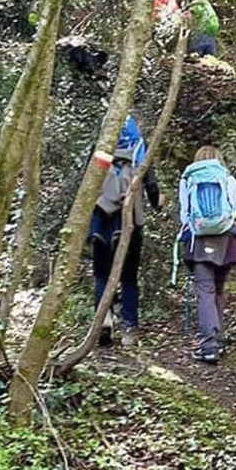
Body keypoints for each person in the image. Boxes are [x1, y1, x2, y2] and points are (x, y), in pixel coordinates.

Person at [89, 115, 160, 347]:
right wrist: (158, 203)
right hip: (129, 223)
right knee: (129, 278)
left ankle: (103, 322)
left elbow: (88, 185)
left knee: (101, 275)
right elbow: (151, 186)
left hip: (101, 221)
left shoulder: (101, 147)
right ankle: (129, 330)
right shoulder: (140, 148)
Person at [178, 140, 236, 363]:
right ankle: (218, 339)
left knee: (205, 290)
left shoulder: (189, 180)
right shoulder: (227, 178)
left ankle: (208, 345)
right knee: (218, 289)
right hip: (228, 240)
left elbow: (184, 214)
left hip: (199, 240)